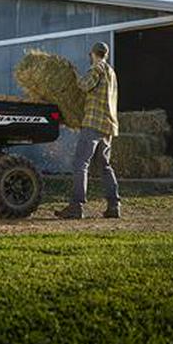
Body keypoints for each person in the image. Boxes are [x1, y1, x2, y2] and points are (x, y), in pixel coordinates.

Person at [55, 42, 121, 220]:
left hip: (93, 123)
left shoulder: (96, 68)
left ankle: (76, 207)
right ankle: (114, 206)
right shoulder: (112, 73)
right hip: (108, 126)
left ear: (92, 54)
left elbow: (84, 86)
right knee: (105, 166)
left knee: (80, 164)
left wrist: (74, 77)